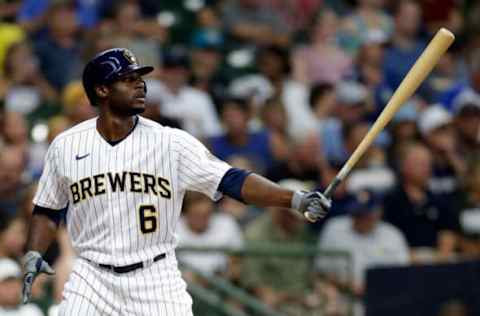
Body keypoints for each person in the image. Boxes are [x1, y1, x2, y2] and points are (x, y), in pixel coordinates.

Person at [21, 48, 331, 315]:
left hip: (155, 276)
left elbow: (233, 180)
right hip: (91, 275)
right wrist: (35, 252)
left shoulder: (171, 143)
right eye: (128, 80)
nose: (141, 85)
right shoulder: (66, 146)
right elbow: (48, 209)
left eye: (139, 78)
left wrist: (295, 199)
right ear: (102, 90)